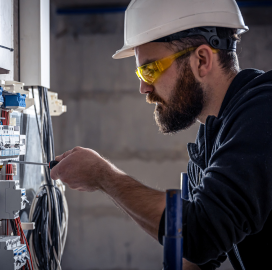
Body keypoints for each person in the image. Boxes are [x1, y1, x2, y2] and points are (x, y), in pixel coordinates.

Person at [50, 0, 272, 269]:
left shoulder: (264, 110)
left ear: (202, 60)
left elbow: (201, 233)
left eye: (150, 69)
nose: (144, 87)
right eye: (140, 72)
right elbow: (197, 254)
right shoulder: (213, 137)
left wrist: (103, 176)